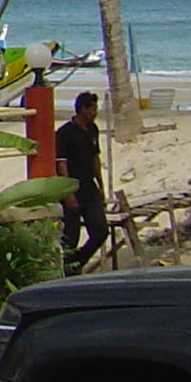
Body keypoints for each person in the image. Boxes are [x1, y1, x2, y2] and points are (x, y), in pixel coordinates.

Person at [58, 90, 109, 272]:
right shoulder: (65, 133)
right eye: (93, 108)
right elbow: (61, 164)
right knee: (71, 234)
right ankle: (68, 269)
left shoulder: (93, 130)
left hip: (89, 186)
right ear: (83, 109)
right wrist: (68, 192)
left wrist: (101, 186)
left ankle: (79, 260)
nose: (96, 112)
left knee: (101, 230)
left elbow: (95, 159)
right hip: (72, 187)